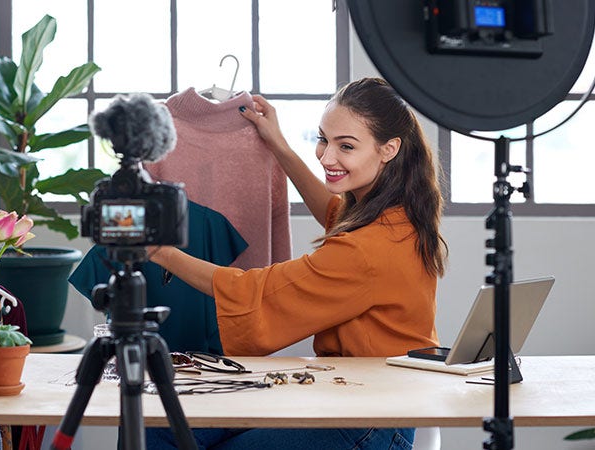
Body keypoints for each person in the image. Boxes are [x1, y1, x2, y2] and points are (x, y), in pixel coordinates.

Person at [147, 77, 448, 450]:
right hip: (359, 398)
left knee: (171, 430)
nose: (326, 157)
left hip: (370, 422)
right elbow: (335, 213)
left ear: (389, 149)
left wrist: (161, 251)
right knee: (162, 424)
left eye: (346, 147)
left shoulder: (367, 249)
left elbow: (251, 291)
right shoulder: (398, 216)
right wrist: (279, 146)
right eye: (323, 139)